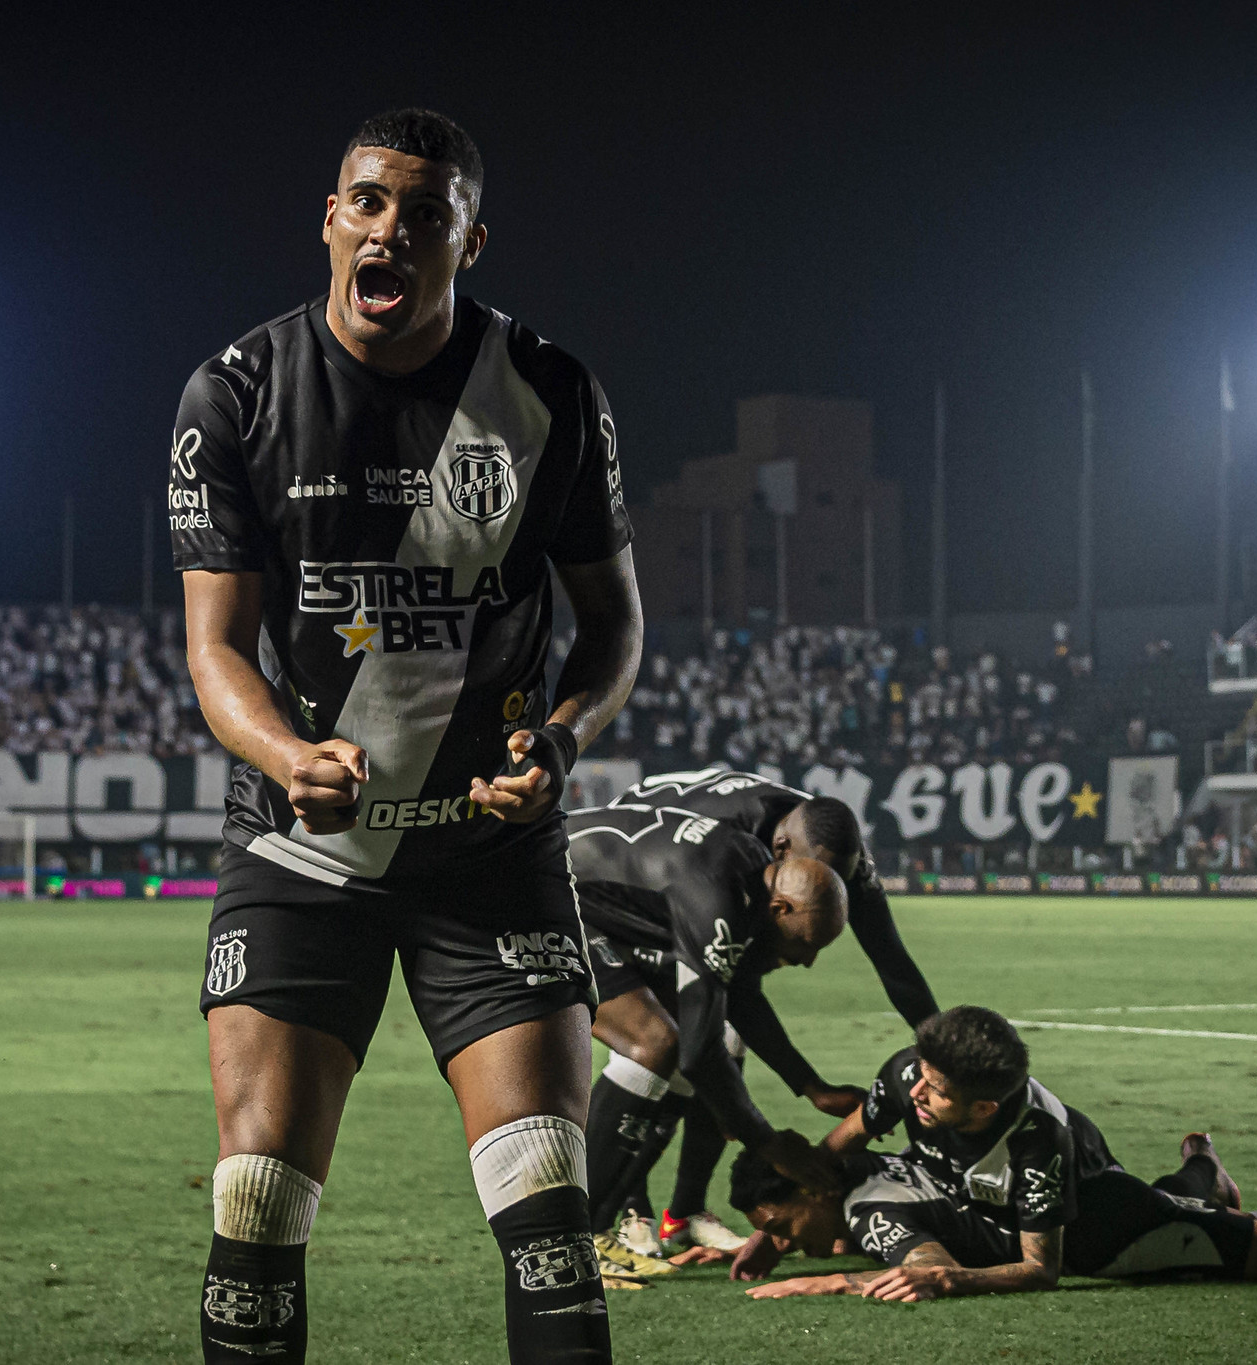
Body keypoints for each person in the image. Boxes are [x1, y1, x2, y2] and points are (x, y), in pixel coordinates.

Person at [171, 108, 641, 1363]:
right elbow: (216, 648)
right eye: (365, 202)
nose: (388, 229)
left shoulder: (544, 392)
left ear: (465, 240)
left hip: (487, 857)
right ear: (330, 220)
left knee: (547, 1191)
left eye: (422, 213)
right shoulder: (237, 393)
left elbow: (612, 627)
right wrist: (284, 758)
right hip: (303, 851)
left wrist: (562, 738)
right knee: (258, 1187)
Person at [701, 1006, 1257, 1298]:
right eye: (916, 1078)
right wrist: (779, 1229)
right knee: (1243, 1216)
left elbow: (1043, 1268)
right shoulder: (911, 1077)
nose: (912, 1095)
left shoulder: (1029, 1145)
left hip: (1105, 1223)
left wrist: (954, 1276)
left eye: (933, 1090)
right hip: (1066, 1196)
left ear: (985, 1105)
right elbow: (838, 1148)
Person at [605, 768, 940, 1252]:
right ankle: (630, 1208)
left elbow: (894, 964)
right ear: (782, 855)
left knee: (723, 1042)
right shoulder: (735, 845)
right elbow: (737, 989)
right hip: (627, 884)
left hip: (693, 894)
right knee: (667, 1041)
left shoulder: (837, 859)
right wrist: (807, 1088)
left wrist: (941, 1056)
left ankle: (684, 1213)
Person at [566, 803, 849, 1280]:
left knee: (676, 1046)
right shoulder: (717, 902)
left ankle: (599, 1233)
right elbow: (699, 1055)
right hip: (536, 899)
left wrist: (809, 1085)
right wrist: (768, 1143)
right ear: (781, 908)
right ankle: (576, 1243)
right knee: (656, 1045)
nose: (807, 961)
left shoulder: (752, 876)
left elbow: (741, 997)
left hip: (589, 905)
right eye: (808, 942)